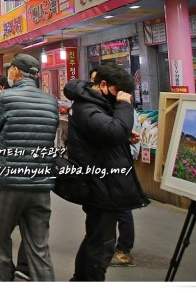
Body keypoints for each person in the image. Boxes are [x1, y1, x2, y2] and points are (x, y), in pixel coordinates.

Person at [0, 53, 59, 281]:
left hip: (8, 183)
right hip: (40, 184)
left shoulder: (5, 99)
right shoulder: (51, 102)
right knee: (39, 246)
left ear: (15, 72)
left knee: (2, 242)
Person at [64, 64, 150, 281]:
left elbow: (107, 133)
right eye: (117, 92)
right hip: (100, 185)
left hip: (104, 183)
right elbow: (112, 132)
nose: (119, 97)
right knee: (101, 244)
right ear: (102, 84)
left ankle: (81, 280)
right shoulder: (87, 107)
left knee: (97, 238)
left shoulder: (95, 105)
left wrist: (124, 134)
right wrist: (123, 107)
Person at [111, 106, 142, 267]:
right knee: (117, 205)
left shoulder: (125, 111)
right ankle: (119, 247)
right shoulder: (123, 111)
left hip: (121, 160)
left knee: (122, 206)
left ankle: (124, 250)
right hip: (120, 159)